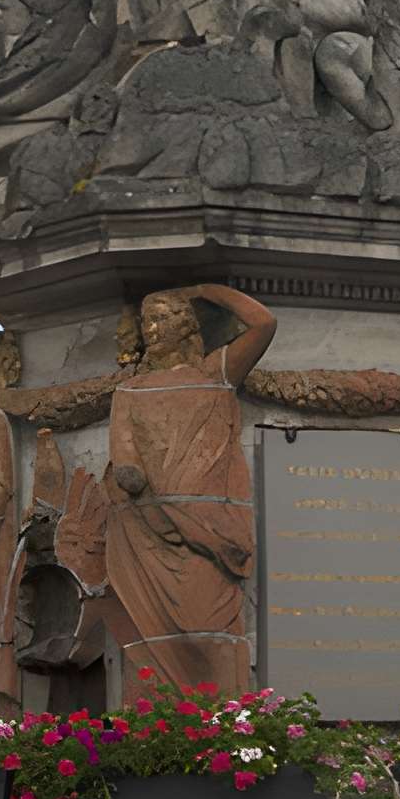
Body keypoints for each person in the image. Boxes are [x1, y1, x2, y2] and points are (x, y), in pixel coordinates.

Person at [103, 282, 276, 696]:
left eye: (162, 318)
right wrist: (130, 472)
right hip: (150, 527)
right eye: (147, 322)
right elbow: (123, 451)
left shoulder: (216, 373)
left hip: (210, 529)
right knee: (157, 634)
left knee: (211, 629)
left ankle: (232, 720)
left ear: (186, 325)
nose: (153, 330)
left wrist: (205, 289)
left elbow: (264, 323)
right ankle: (166, 726)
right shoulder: (129, 391)